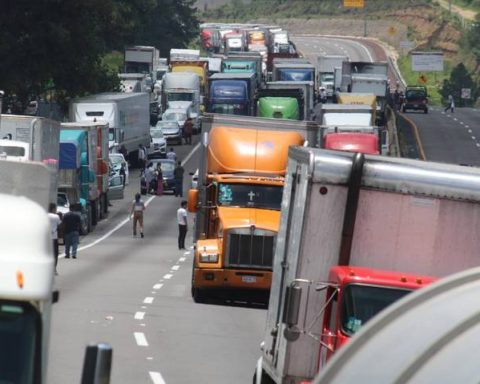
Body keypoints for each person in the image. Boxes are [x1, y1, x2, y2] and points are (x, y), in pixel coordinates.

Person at [48, 203, 62, 274]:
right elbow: (60, 225)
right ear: (53, 209)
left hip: (46, 238)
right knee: (55, 254)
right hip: (54, 238)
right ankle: (54, 269)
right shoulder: (56, 216)